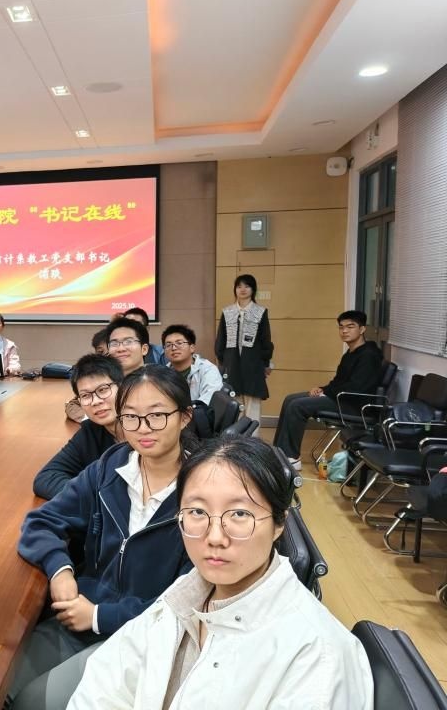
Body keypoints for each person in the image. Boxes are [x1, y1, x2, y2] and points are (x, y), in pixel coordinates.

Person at [68, 436, 374, 710]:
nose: (215, 537)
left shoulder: (317, 658)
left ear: (279, 523)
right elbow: (107, 679)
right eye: (197, 512)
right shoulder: (189, 592)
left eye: (239, 514)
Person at [11, 365, 195, 709]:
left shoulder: (203, 493)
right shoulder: (110, 468)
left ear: (184, 417)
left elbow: (191, 598)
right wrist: (60, 570)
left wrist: (99, 616)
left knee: (31, 703)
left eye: (157, 416)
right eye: (131, 417)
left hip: (143, 636)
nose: (143, 428)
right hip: (81, 612)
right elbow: (41, 521)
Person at [273, 310, 383, 468]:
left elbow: (356, 388)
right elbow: (338, 382)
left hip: (354, 406)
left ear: (362, 329)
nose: (344, 331)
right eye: (341, 327)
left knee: (297, 406)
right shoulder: (350, 353)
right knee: (290, 399)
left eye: (350, 326)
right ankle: (279, 452)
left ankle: (292, 458)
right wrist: (322, 389)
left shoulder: (369, 355)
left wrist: (327, 393)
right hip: (341, 398)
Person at [34, 354, 124, 499]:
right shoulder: (91, 431)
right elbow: (46, 478)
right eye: (86, 395)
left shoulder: (148, 430)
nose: (95, 401)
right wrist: (95, 498)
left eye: (103, 390)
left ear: (123, 387)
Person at [215, 273, 273, 426]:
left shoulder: (260, 311)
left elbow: (265, 340)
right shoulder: (227, 312)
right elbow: (221, 340)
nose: (242, 289)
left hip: (253, 366)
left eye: (247, 286)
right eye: (239, 286)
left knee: (253, 407)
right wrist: (223, 362)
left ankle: (252, 439)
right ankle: (235, 439)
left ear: (253, 290)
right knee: (234, 406)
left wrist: (265, 363)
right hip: (232, 365)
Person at [162, 324, 224, 405]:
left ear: (192, 348)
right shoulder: (162, 373)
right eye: (168, 345)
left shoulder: (208, 370)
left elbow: (208, 402)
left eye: (179, 343)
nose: (173, 348)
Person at [65, 329, 114, 424]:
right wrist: (92, 417)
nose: (106, 356)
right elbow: (72, 405)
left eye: (110, 350)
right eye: (100, 352)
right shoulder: (99, 376)